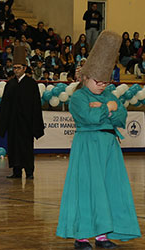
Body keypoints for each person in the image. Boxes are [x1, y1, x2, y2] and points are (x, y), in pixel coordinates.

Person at [56, 30, 141, 250]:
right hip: (88, 147)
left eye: (105, 81)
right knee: (88, 189)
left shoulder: (109, 95)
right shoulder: (78, 97)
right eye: (98, 81)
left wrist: (108, 108)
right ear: (85, 77)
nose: (102, 85)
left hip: (109, 148)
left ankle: (102, 235)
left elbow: (122, 117)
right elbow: (89, 117)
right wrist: (108, 109)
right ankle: (82, 236)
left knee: (109, 188)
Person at [0, 46, 44, 179]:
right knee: (14, 147)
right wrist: (4, 124)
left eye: (18, 67)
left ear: (24, 68)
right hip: (13, 124)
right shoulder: (10, 84)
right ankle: (16, 171)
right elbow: (5, 106)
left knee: (26, 148)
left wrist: (35, 124)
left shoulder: (31, 84)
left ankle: (29, 172)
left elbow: (36, 106)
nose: (16, 70)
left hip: (26, 124)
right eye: (14, 67)